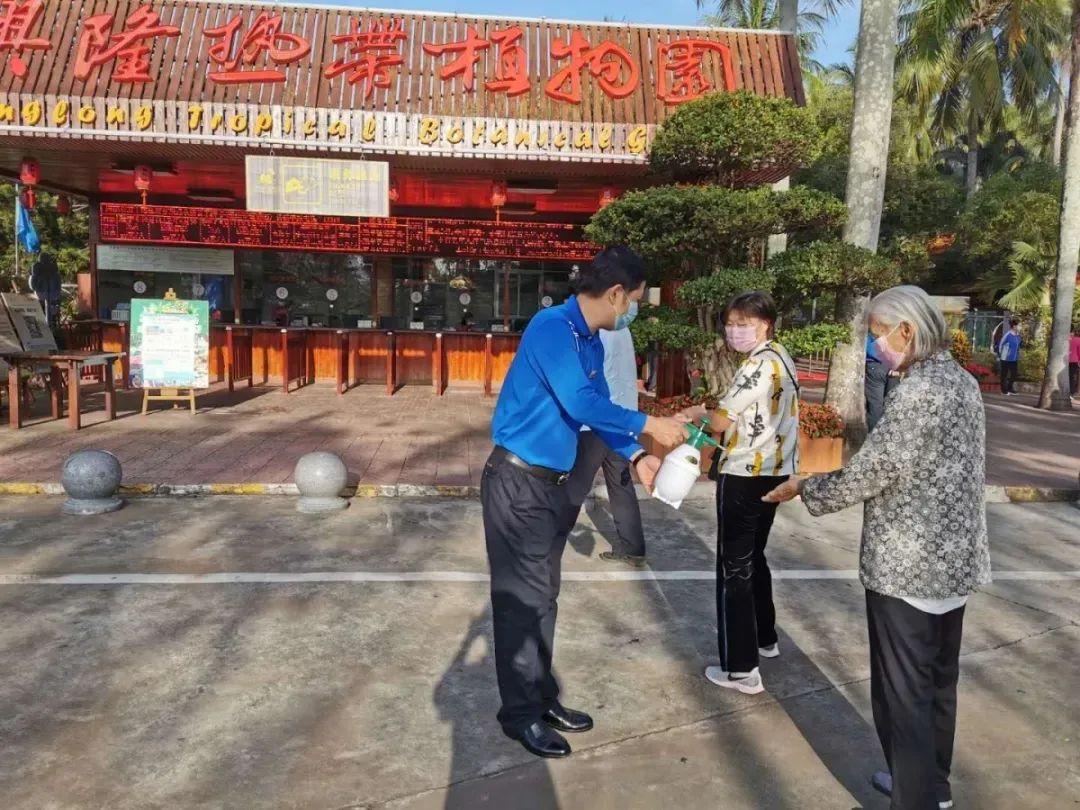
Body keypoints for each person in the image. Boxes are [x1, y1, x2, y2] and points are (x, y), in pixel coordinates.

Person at [763, 285, 991, 810]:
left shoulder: (917, 389)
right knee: (936, 683)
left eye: (876, 334)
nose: (875, 345)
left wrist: (808, 487)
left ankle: (913, 796)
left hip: (908, 565)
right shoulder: (960, 380)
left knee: (902, 692)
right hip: (952, 562)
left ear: (906, 331)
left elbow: (877, 468)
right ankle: (932, 785)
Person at [482, 245, 688, 760]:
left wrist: (637, 453)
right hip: (518, 483)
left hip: (553, 486)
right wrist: (650, 424)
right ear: (617, 293)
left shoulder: (590, 339)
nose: (634, 310)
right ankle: (520, 716)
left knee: (544, 596)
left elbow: (599, 413)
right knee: (520, 603)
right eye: (636, 300)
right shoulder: (552, 328)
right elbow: (579, 401)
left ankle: (542, 697)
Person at [679, 291, 800, 696]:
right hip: (774, 473)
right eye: (730, 324)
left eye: (743, 324)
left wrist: (694, 414)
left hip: (744, 473)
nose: (734, 331)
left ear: (765, 325)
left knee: (734, 567)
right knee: (753, 557)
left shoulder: (757, 366)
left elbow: (719, 421)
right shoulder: (782, 357)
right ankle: (765, 637)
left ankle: (740, 668)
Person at [558, 290, 647, 567]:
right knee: (620, 485)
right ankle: (634, 548)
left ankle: (549, 540)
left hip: (599, 422)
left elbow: (586, 382)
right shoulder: (622, 329)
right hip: (624, 418)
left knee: (575, 484)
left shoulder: (599, 332)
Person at [865, 333, 902, 432]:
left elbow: (869, 349)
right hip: (894, 368)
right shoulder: (898, 329)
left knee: (875, 406)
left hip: (876, 366)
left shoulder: (872, 328)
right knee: (891, 404)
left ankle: (874, 437)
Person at [998, 318, 1022, 395]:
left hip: (1014, 359)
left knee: (1014, 374)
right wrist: (1001, 355)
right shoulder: (1007, 335)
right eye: (1019, 325)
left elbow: (1018, 347)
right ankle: (1003, 390)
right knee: (1004, 375)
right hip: (1005, 358)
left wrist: (1018, 355)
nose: (1020, 327)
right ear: (1014, 326)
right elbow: (1000, 345)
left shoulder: (1018, 336)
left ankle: (1010, 388)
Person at [1068, 329, 1080, 399]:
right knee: (1073, 377)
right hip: (1074, 361)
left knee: (1068, 376)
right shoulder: (1078, 340)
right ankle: (1071, 393)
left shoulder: (1068, 339)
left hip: (1065, 360)